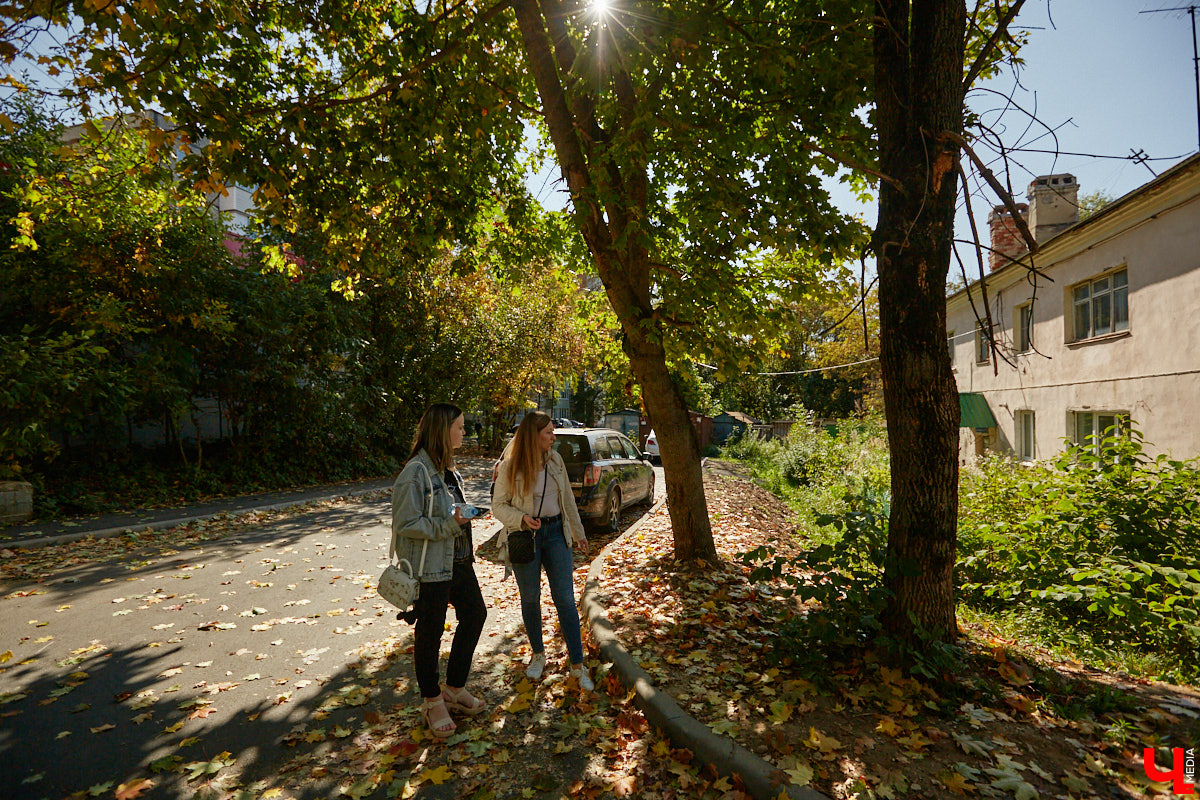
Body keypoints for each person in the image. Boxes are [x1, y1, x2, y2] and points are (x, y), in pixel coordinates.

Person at [391, 402, 488, 738]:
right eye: (460, 427)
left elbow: (447, 512)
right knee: (430, 634)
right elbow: (406, 523)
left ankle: (455, 688)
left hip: (458, 562)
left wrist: (465, 514)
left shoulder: (450, 471)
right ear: (442, 430)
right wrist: (450, 523)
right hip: (432, 568)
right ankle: (432, 700)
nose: (464, 432)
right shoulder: (415, 472)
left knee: (475, 615)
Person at [493, 411, 594, 691]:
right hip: (526, 537)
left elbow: (568, 501)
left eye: (553, 431)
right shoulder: (511, 466)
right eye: (548, 432)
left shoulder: (555, 460)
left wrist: (579, 533)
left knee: (564, 598)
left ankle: (577, 665)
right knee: (530, 598)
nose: (553, 436)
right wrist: (521, 519)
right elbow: (498, 506)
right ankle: (538, 655)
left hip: (556, 536)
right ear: (533, 436)